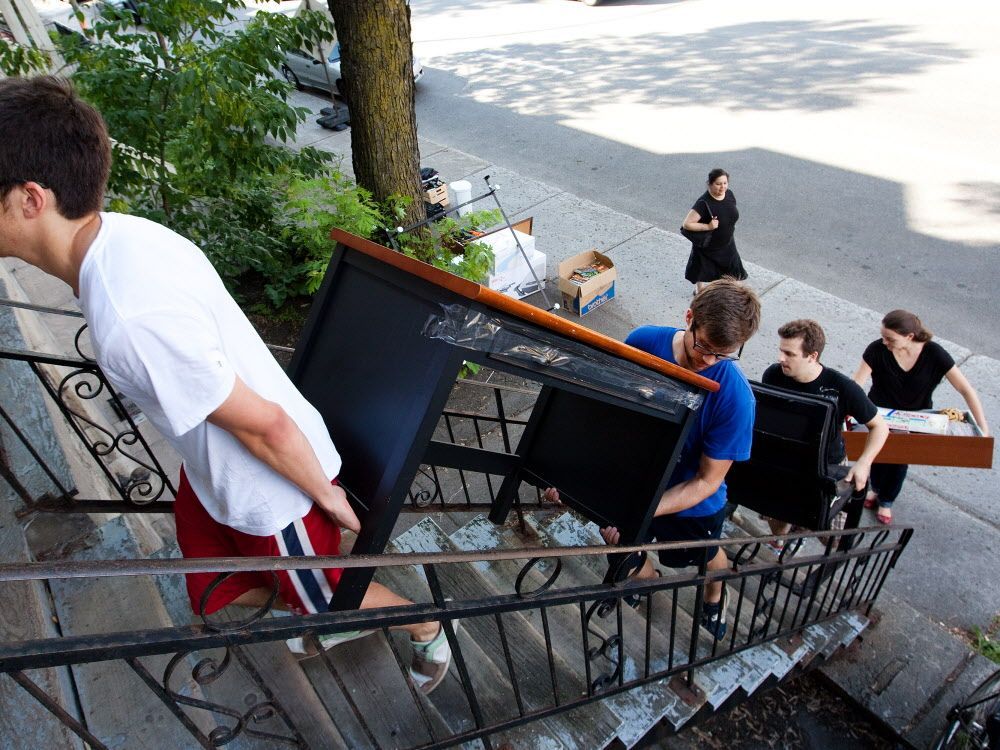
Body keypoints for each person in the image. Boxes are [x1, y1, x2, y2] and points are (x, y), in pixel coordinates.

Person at [0, 75, 451, 693]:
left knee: (320, 596)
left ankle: (424, 622)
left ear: (30, 198)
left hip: (272, 486)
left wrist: (328, 498)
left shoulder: (129, 314)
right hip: (218, 465)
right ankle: (311, 608)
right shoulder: (122, 237)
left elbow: (262, 426)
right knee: (216, 591)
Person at [562, 278, 761, 640]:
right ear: (689, 317)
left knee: (705, 552)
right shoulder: (643, 342)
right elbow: (607, 414)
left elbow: (707, 481)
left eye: (724, 353)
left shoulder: (736, 398)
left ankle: (716, 593)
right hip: (633, 483)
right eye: (704, 347)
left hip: (691, 505)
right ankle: (645, 578)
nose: (710, 361)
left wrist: (640, 509)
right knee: (622, 551)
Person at [852, 309, 990, 524]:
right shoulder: (877, 349)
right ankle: (876, 489)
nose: (884, 342)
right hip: (880, 414)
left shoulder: (934, 353)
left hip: (917, 418)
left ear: (909, 336)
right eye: (883, 336)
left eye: (890, 338)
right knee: (877, 455)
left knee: (900, 461)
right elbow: (856, 385)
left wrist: (983, 429)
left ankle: (887, 500)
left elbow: (966, 389)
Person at [761, 319, 889, 541]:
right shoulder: (773, 375)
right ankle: (783, 542)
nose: (781, 358)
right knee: (778, 523)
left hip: (828, 465)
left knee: (832, 535)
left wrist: (864, 463)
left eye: (790, 354)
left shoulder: (842, 387)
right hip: (787, 461)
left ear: (812, 356)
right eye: (781, 351)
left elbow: (879, 426)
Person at [682, 168, 747, 294]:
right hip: (709, 246)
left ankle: (732, 295)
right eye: (718, 184)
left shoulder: (729, 194)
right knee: (701, 270)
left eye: (725, 183)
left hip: (727, 243)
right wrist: (708, 227)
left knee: (735, 273)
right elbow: (686, 224)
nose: (722, 187)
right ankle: (699, 292)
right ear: (710, 184)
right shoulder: (703, 203)